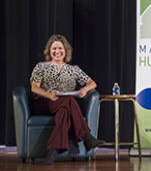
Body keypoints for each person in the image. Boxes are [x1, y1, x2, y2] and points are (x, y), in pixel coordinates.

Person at [30, 34, 105, 164]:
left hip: (65, 104)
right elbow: (34, 88)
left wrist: (84, 90)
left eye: (60, 48)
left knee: (65, 110)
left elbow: (93, 83)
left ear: (66, 51)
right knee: (70, 102)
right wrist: (49, 95)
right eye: (54, 49)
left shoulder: (73, 69)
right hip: (45, 102)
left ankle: (52, 151)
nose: (57, 51)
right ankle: (87, 136)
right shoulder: (41, 66)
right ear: (49, 51)